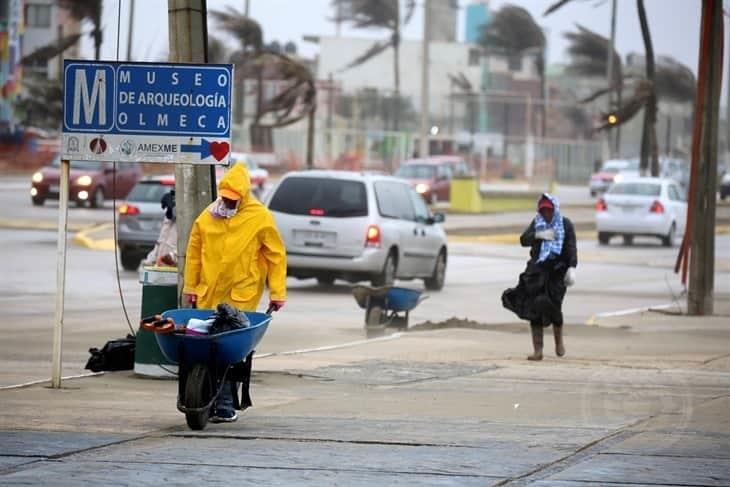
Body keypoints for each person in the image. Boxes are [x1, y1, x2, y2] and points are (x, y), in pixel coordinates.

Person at [183, 162, 287, 422]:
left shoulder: (260, 217)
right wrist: (191, 287)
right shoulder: (207, 217)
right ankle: (204, 398)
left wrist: (278, 292)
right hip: (209, 294)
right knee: (205, 349)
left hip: (241, 295)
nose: (227, 205)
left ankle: (226, 406)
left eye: (232, 201)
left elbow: (276, 256)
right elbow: (194, 254)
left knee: (228, 352)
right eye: (225, 199)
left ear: (243, 197)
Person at [502, 193, 577, 361]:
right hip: (536, 272)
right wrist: (538, 235)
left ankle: (559, 342)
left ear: (555, 209)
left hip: (557, 273)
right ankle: (538, 351)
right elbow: (523, 240)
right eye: (543, 211)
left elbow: (571, 247)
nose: (546, 214)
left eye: (549, 210)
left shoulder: (565, 225)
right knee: (533, 308)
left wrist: (571, 267)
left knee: (554, 306)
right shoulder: (537, 223)